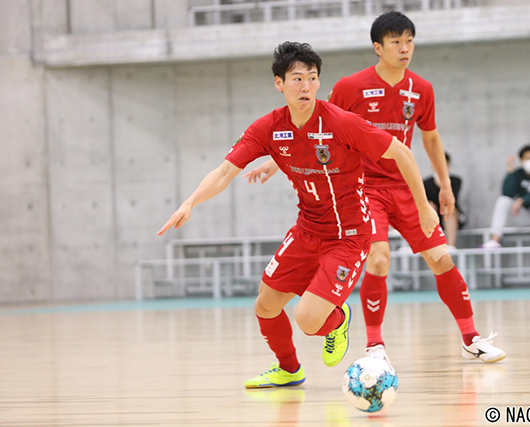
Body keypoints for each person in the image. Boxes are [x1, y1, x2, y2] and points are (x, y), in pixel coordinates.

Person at [157, 41, 440, 388]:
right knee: (265, 304)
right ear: (279, 83)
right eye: (297, 79)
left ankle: (337, 319)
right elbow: (225, 171)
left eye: (312, 78)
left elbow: (403, 153)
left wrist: (423, 206)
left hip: (349, 235)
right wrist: (189, 202)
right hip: (307, 230)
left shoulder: (341, 122)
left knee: (307, 320)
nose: (306, 86)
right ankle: (289, 370)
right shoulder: (268, 128)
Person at [244, 12, 505, 364]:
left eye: (409, 41)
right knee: (379, 260)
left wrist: (443, 185)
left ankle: (471, 339)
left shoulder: (422, 89)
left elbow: (430, 138)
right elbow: (315, 127)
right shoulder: (351, 86)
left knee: (441, 258)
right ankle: (374, 346)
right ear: (378, 48)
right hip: (365, 189)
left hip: (405, 186)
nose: (404, 48)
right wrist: (275, 162)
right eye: (396, 42)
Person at [481, 144, 530, 249]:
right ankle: (495, 239)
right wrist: (510, 172)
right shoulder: (517, 174)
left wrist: (522, 200)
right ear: (521, 160)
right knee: (503, 200)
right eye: (528, 158)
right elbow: (507, 193)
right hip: (526, 216)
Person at [423, 152, 466, 248]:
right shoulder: (426, 183)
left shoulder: (455, 181)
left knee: (447, 210)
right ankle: (433, 245)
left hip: (451, 214)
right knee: (430, 208)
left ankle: (450, 245)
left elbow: (452, 198)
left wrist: (443, 182)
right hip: (433, 215)